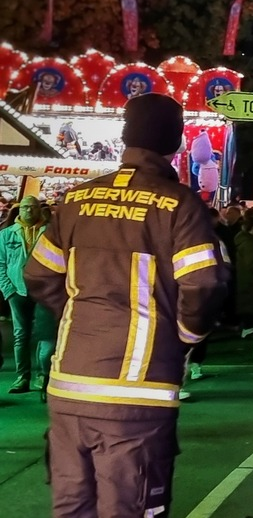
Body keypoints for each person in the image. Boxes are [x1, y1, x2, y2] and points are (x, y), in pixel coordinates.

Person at [24, 93, 228, 517]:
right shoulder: (178, 205)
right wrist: (184, 337)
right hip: (136, 394)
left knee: (72, 508)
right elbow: (204, 283)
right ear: (175, 141)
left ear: (123, 137)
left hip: (68, 388)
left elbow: (38, 275)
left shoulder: (76, 200)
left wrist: (82, 316)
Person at [0, 195, 47, 393]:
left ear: (39, 210)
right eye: (25, 207)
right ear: (19, 210)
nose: (29, 211)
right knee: (21, 335)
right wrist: (8, 290)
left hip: (44, 292)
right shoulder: (6, 235)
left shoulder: (50, 233)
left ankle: (43, 374)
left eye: (32, 207)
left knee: (45, 336)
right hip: (17, 290)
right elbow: (1, 264)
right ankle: (23, 377)